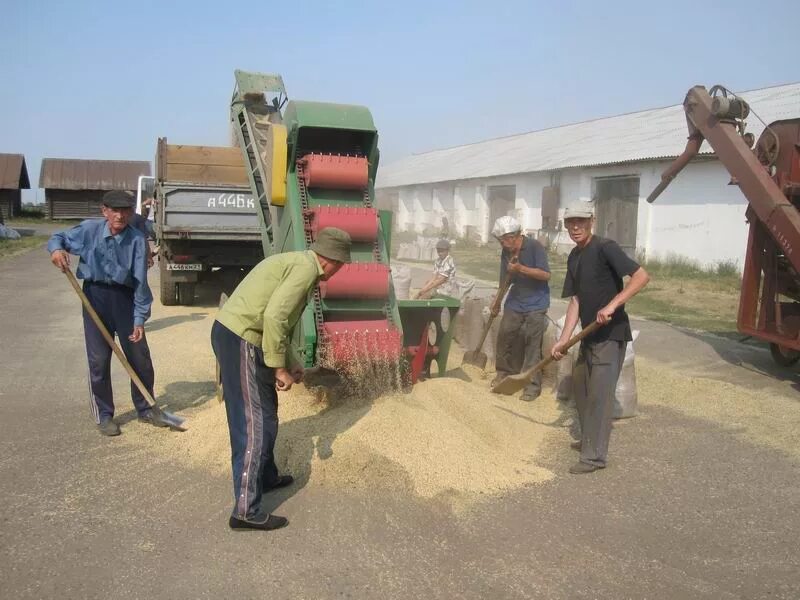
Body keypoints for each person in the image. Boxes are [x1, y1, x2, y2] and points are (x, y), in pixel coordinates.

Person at [211, 227, 352, 532]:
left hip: (247, 338)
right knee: (253, 424)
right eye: (342, 265)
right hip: (241, 340)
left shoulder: (303, 264)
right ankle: (245, 512)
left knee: (267, 414)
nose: (340, 271)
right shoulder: (304, 269)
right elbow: (274, 317)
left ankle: (265, 476)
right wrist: (278, 369)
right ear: (333, 261)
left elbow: (279, 324)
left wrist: (293, 362)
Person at [48, 190, 162, 436]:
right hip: (94, 298)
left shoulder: (136, 240)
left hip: (125, 299)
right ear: (104, 211)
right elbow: (58, 238)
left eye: (125, 211)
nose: (120, 215)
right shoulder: (89, 231)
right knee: (98, 360)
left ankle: (146, 408)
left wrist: (139, 318)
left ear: (132, 212)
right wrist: (56, 250)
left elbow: (141, 283)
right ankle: (104, 414)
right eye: (114, 210)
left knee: (139, 356)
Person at [551, 205, 650, 474]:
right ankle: (588, 440)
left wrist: (612, 305)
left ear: (592, 221)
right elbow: (576, 300)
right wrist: (563, 339)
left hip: (611, 335)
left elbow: (641, 277)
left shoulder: (606, 247)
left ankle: (594, 457)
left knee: (599, 397)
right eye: (570, 222)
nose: (575, 227)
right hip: (588, 337)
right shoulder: (574, 256)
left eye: (581, 221)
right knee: (581, 390)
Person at [491, 216, 551, 401]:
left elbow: (546, 275)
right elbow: (504, 280)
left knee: (532, 343)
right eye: (499, 241)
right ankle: (503, 373)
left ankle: (532, 386)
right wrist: (497, 301)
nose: (501, 244)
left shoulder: (535, 247)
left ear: (514, 236)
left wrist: (521, 269)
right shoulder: (505, 251)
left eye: (502, 240)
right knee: (504, 335)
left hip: (536, 302)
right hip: (515, 302)